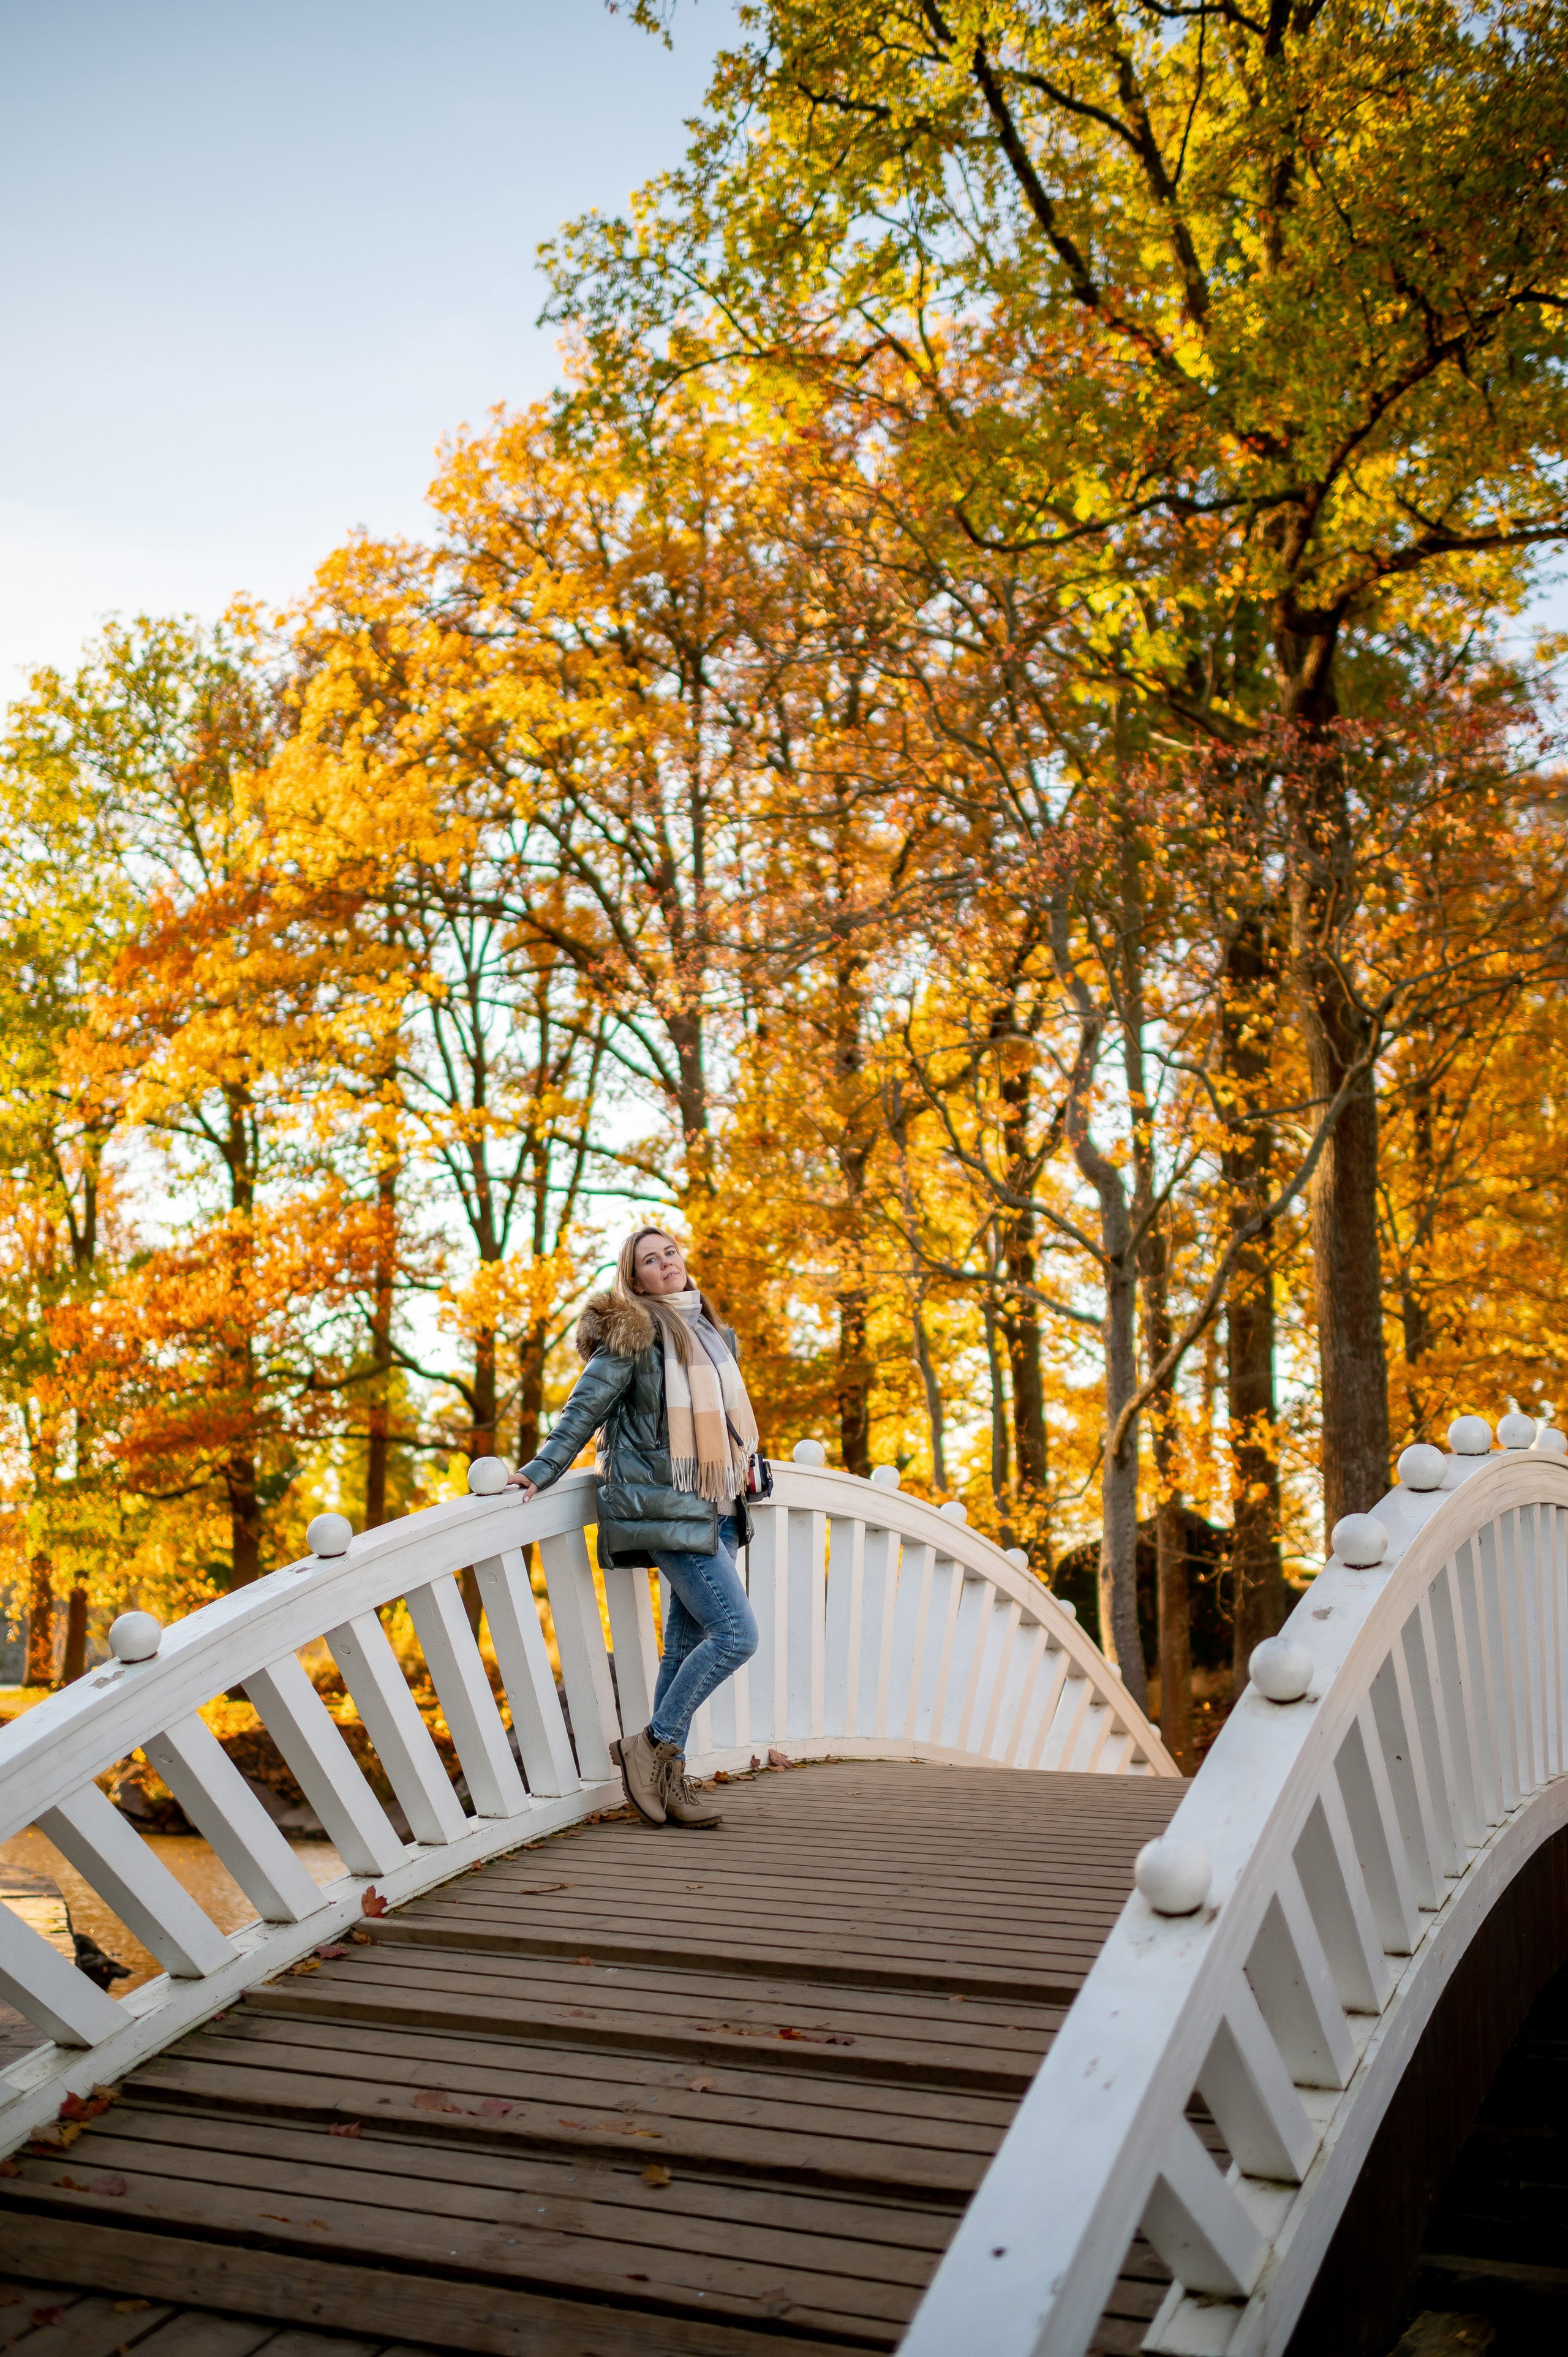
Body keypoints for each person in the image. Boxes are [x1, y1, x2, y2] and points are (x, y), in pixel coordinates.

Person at [507, 1228, 761, 1830]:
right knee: (736, 1635)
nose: (666, 1262)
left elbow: (725, 1424)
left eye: (670, 1251)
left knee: (683, 1648)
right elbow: (583, 1410)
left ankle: (668, 1782)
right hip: (668, 1506)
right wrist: (540, 1469)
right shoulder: (633, 1334)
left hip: (722, 1507)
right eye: (650, 1259)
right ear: (636, 1279)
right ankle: (651, 1743)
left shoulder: (713, 1334)